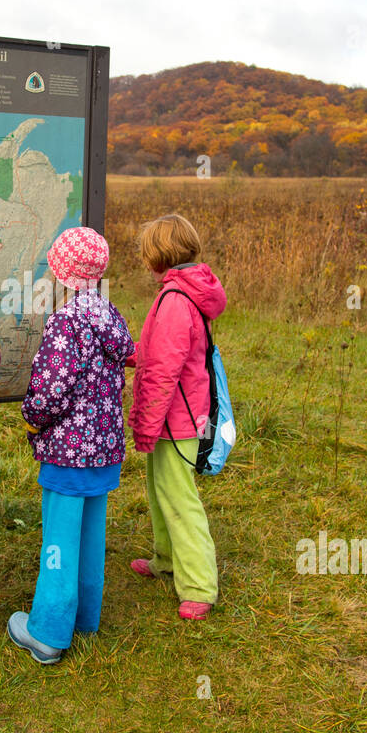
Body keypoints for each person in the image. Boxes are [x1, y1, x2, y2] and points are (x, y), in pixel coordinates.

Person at [8, 227, 134, 664]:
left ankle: (46, 632)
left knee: (58, 540)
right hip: (104, 449)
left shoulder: (67, 321)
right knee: (90, 536)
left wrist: (31, 417)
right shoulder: (108, 315)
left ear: (61, 272)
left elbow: (50, 390)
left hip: (68, 451)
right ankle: (84, 617)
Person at [127, 213, 227, 620]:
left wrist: (147, 428)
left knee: (180, 500)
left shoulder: (173, 300)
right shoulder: (185, 292)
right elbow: (158, 351)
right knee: (161, 490)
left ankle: (199, 587)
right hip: (181, 415)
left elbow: (164, 372)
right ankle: (166, 559)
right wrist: (123, 352)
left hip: (175, 420)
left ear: (157, 255)